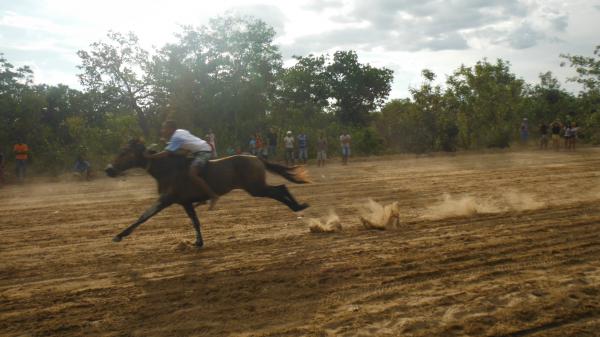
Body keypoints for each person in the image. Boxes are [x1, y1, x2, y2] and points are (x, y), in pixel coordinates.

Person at [145, 120, 219, 210]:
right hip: (198, 151)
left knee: (193, 173)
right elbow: (178, 148)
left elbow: (166, 153)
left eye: (164, 128)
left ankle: (213, 196)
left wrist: (150, 156)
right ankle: (202, 197)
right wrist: (166, 144)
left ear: (171, 129)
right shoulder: (180, 131)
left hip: (204, 151)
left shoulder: (176, 137)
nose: (162, 130)